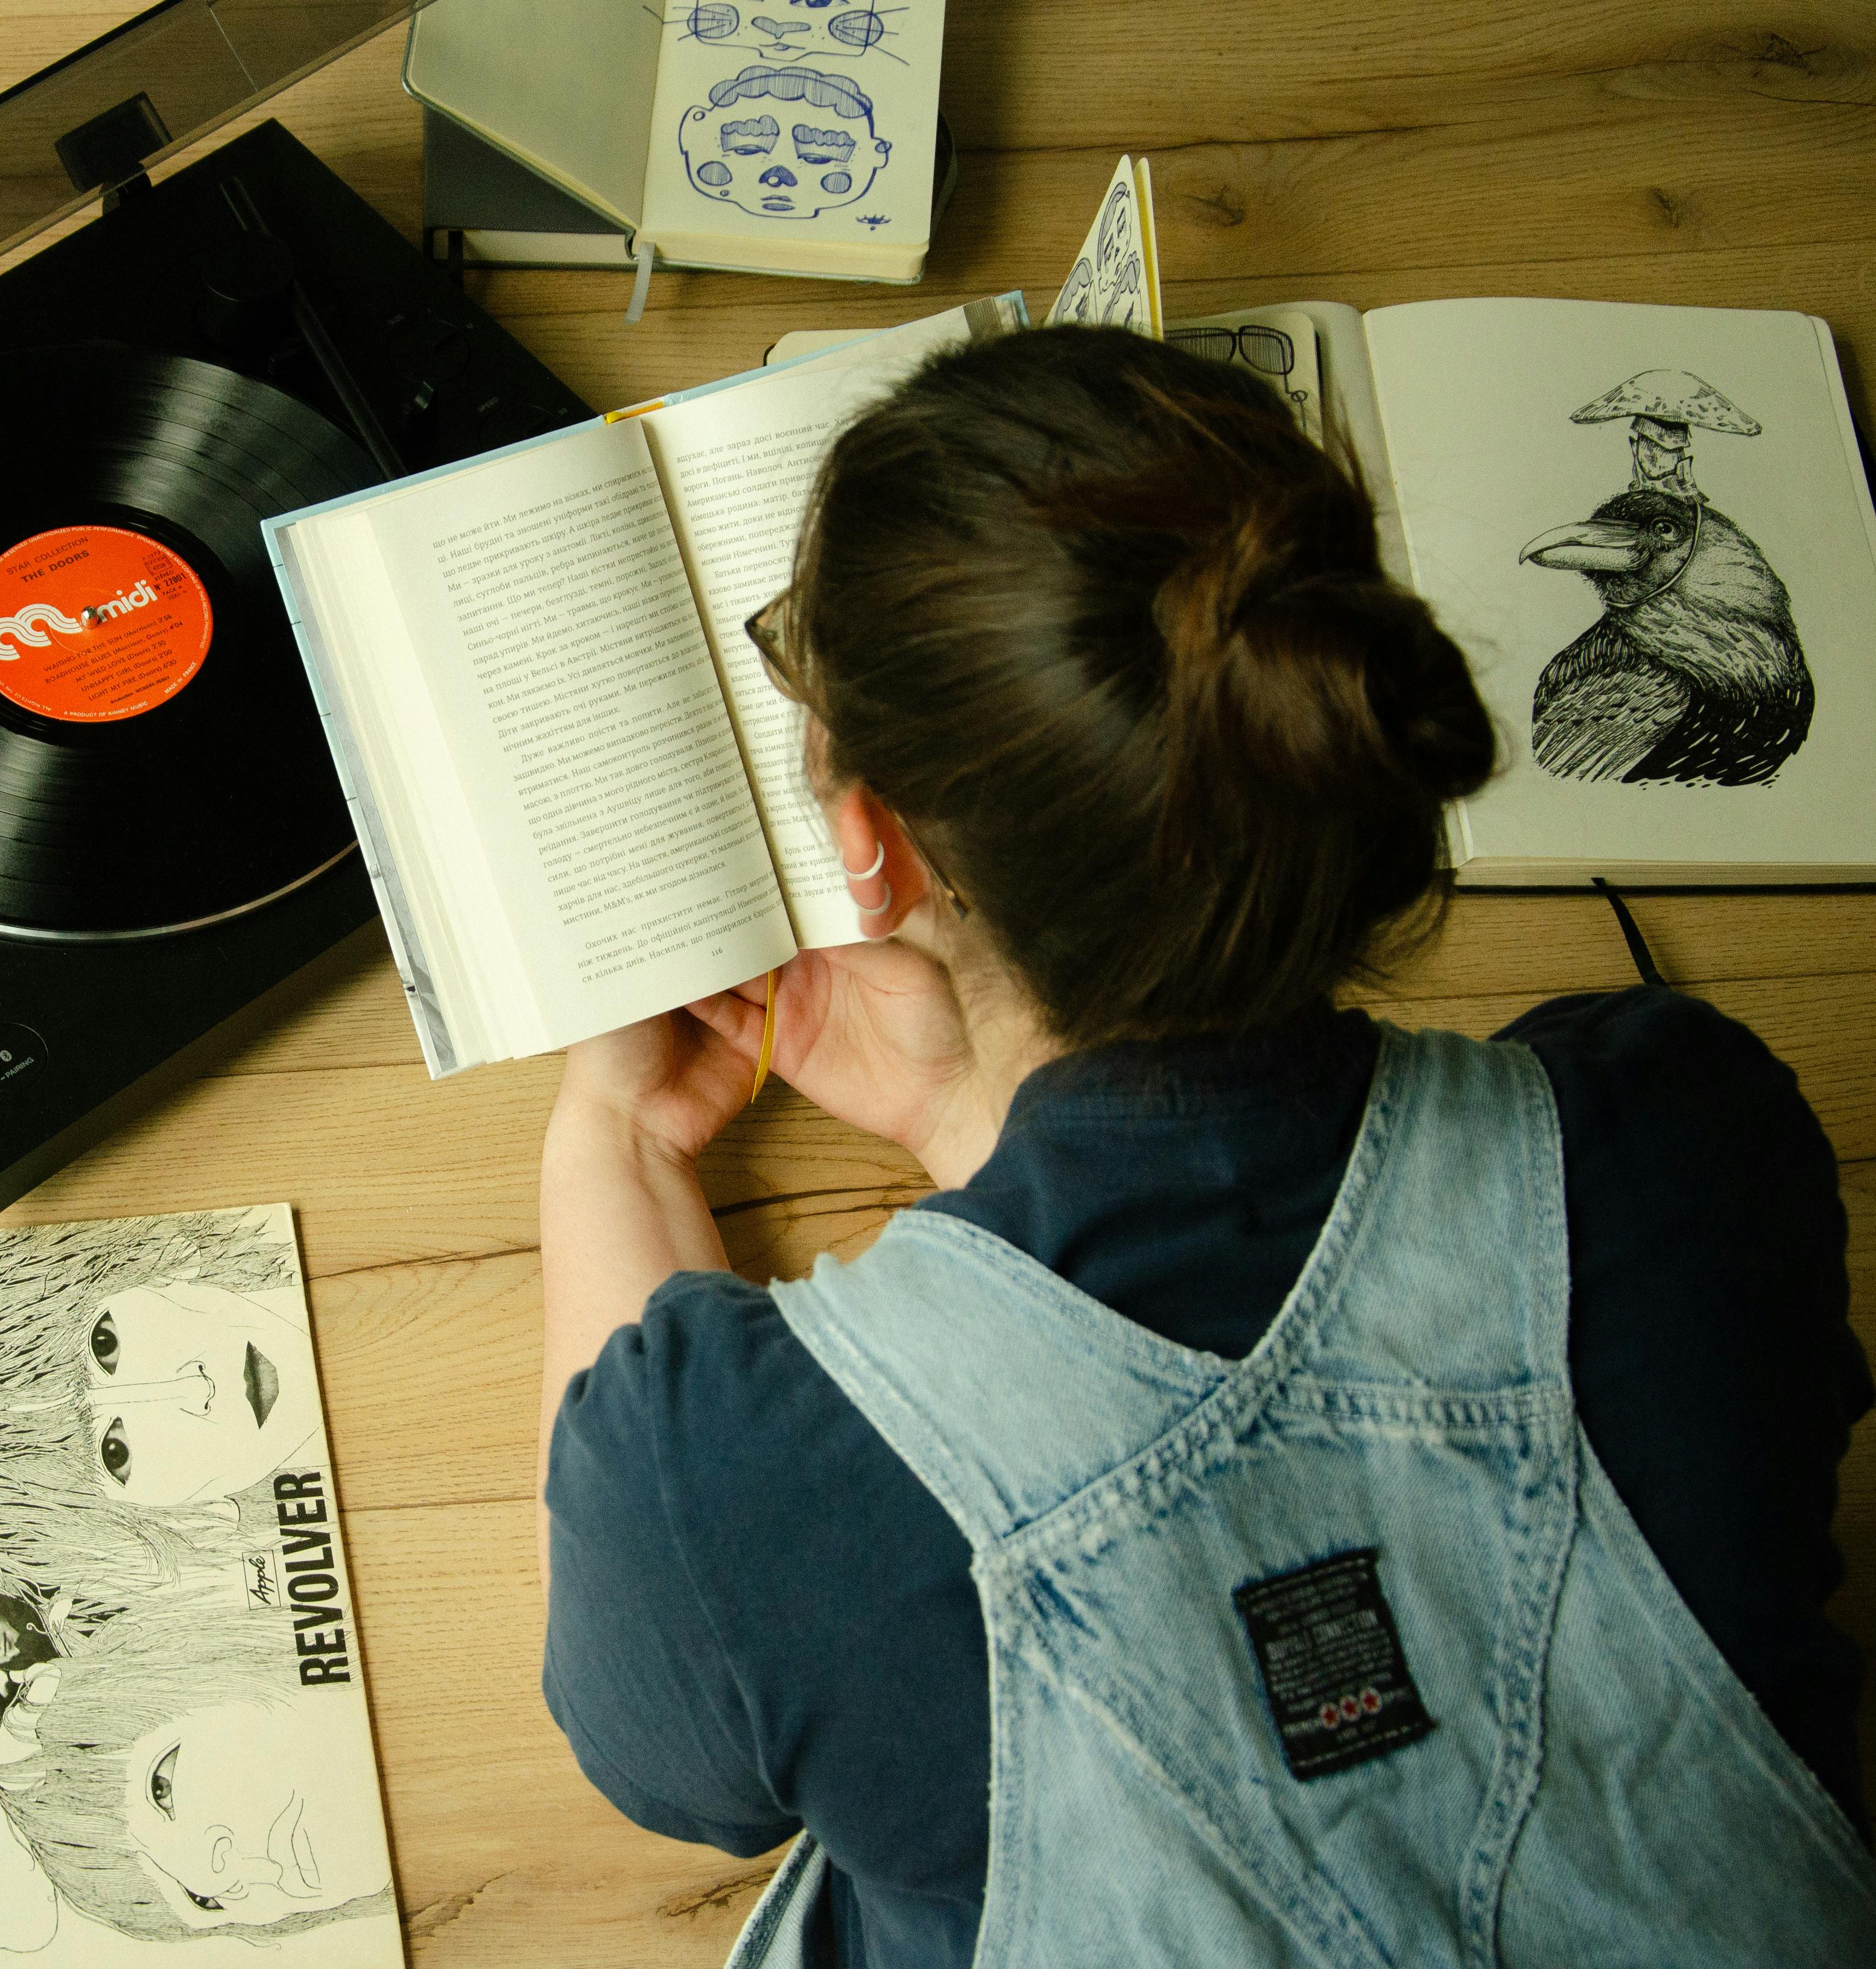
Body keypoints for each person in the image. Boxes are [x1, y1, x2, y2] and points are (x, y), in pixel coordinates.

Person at [535, 326, 1876, 1967]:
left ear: (868, 846)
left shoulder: (730, 1474)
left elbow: (670, 1765)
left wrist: (616, 1142)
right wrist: (979, 1123)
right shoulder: (1682, 1134)